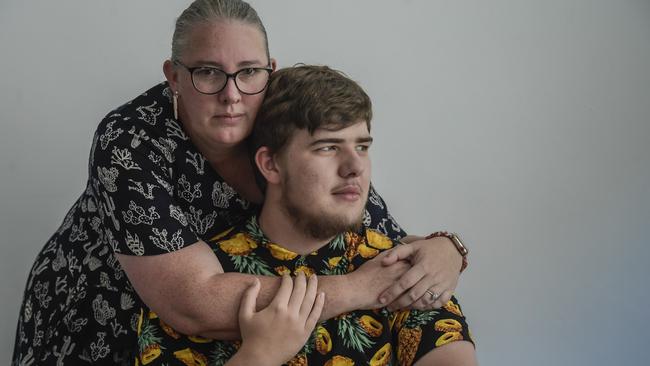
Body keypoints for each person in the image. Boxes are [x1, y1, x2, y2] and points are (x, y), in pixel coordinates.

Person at [12, 0, 469, 365]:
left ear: (270, 69)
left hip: (241, 304)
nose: (232, 94)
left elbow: (370, 227)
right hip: (109, 304)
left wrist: (446, 249)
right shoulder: (132, 140)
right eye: (208, 72)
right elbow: (193, 303)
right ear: (173, 76)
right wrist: (362, 288)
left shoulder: (276, 118)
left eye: (249, 71)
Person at [137, 65, 476, 366]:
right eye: (327, 147)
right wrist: (257, 357)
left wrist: (451, 246)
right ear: (271, 164)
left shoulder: (404, 272)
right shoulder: (198, 285)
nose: (355, 166)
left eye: (362, 146)